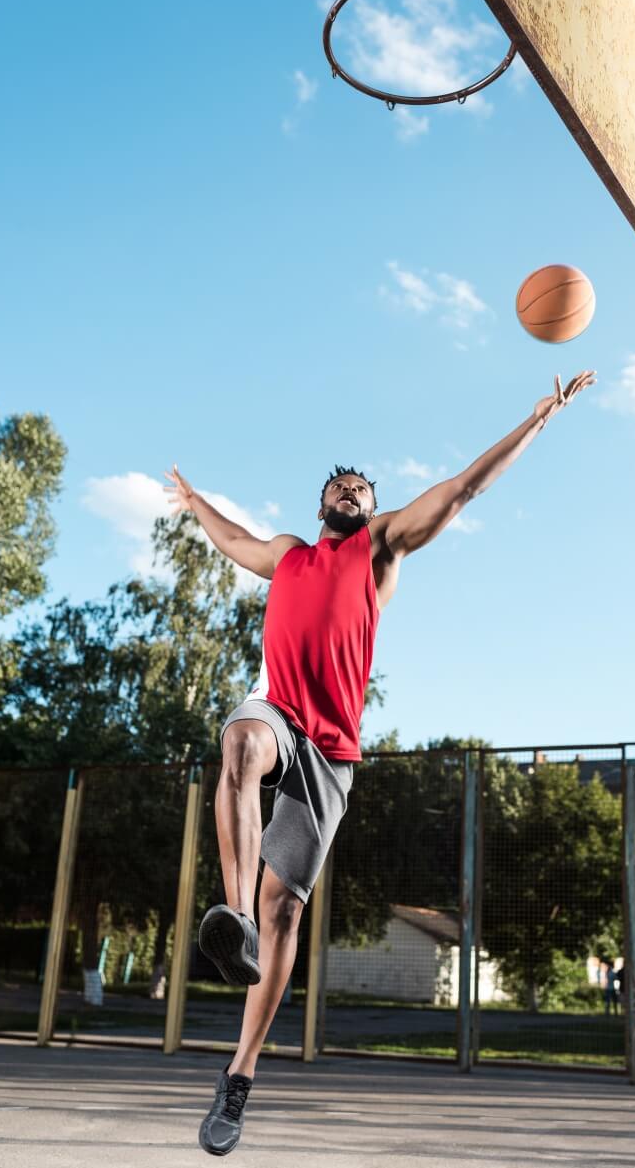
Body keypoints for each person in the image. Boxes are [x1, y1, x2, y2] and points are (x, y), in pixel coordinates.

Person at [164, 370, 595, 1157]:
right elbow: (232, 539)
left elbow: (461, 489)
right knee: (239, 744)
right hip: (279, 715)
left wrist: (536, 420)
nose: (352, 492)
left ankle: (240, 1075)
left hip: (331, 753)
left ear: (370, 508)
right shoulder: (289, 555)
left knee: (287, 908)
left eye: (363, 488)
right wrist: (194, 503)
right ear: (319, 504)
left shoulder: (380, 550)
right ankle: (233, 921)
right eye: (341, 485)